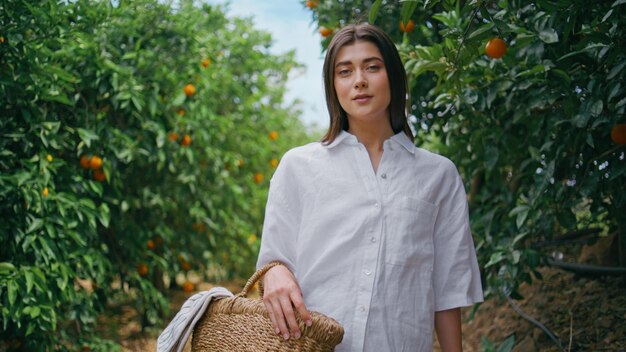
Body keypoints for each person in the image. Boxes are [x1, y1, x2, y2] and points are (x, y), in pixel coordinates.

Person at [256, 23, 483, 352]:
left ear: (393, 76)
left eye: (372, 67)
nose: (359, 80)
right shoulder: (298, 167)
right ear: (332, 86)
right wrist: (274, 272)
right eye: (344, 71)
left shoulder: (439, 175)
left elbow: (447, 290)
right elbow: (272, 264)